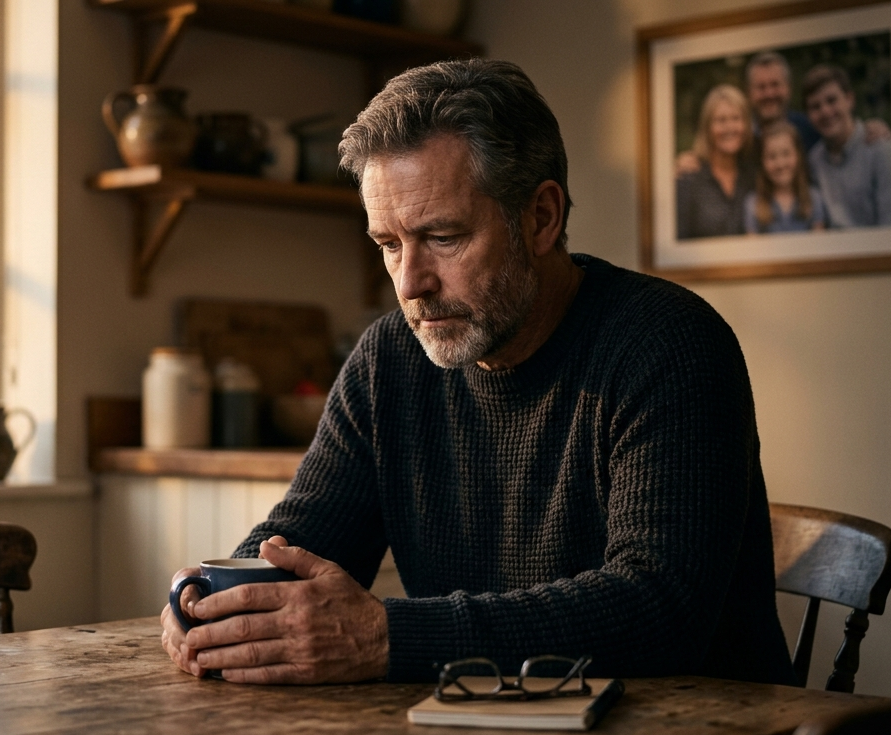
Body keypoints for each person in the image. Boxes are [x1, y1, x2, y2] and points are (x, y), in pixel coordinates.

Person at [159, 59, 795, 688]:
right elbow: (297, 543)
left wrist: (388, 637)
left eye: (443, 237)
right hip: (479, 734)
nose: (411, 284)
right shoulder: (390, 360)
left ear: (541, 218)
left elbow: (660, 611)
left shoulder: (669, 343)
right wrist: (213, 602)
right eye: (388, 244)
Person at [676, 51, 890, 177]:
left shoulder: (810, 128)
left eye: (775, 85)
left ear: (788, 88)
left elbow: (841, 135)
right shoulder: (742, 137)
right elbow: (714, 157)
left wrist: (870, 127)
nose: (769, 93)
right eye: (761, 87)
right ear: (750, 93)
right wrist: (687, 161)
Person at [802, 63, 891, 228]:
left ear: (849, 100)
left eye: (832, 100)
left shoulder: (880, 150)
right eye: (815, 106)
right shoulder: (814, 160)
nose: (825, 111)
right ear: (808, 115)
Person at [676, 84, 755, 239]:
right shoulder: (688, 178)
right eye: (721, 120)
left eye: (736, 118)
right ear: (707, 128)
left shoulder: (753, 176)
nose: (729, 127)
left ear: (746, 125)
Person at [745, 121, 828, 234]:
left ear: (798, 156)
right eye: (771, 157)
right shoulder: (753, 204)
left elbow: (819, 245)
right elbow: (752, 246)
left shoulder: (813, 198)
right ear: (762, 162)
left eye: (786, 154)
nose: (780, 164)